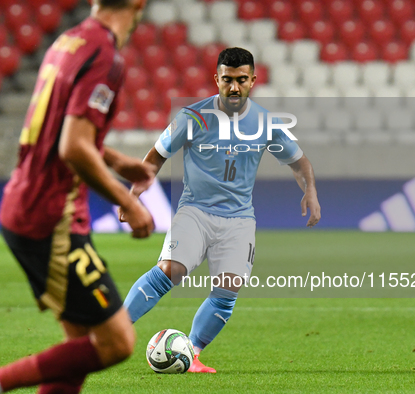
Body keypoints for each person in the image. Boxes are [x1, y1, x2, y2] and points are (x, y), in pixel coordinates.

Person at [0, 1, 154, 393]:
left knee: (77, 350)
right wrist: (125, 199)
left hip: (24, 203)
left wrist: (118, 161)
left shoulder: (69, 41)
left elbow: (62, 128)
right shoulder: (106, 57)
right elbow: (74, 148)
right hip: (51, 216)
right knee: (116, 342)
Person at [122, 47, 321, 373]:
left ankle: (193, 353)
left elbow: (299, 162)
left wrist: (310, 190)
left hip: (239, 219)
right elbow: (155, 157)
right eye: (227, 79)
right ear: (216, 79)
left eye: (241, 80)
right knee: (171, 270)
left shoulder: (265, 123)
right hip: (195, 211)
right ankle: (113, 329)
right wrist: (133, 197)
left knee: (228, 289)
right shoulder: (192, 118)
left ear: (253, 80)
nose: (233, 87)